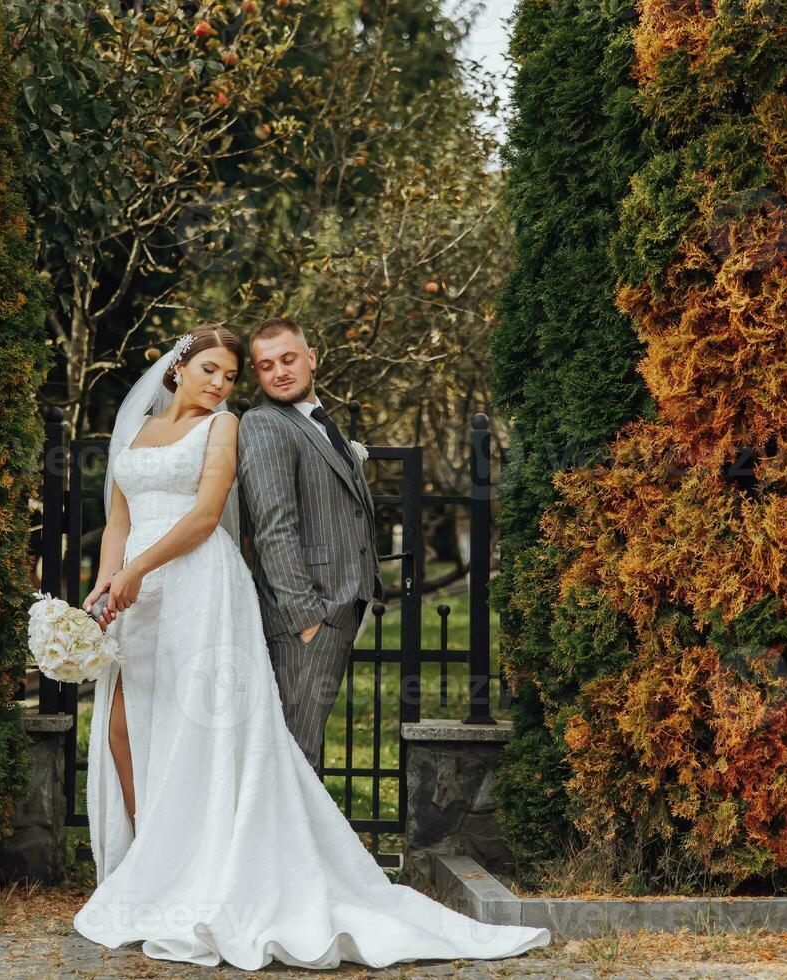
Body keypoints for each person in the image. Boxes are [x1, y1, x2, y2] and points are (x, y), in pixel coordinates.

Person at [73, 324, 550, 969]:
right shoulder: (133, 435)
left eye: (230, 376)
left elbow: (208, 516)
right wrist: (108, 579)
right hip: (136, 591)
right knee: (127, 727)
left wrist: (137, 570)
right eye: (211, 370)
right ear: (177, 368)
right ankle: (151, 864)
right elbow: (119, 522)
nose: (221, 384)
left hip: (194, 584)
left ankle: (208, 871)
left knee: (202, 729)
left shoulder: (227, 428)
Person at [236, 316, 379, 774]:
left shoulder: (320, 423)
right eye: (265, 365)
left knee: (301, 747)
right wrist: (305, 618)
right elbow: (273, 526)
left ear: (312, 358)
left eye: (288, 359)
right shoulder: (263, 424)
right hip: (307, 616)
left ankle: (300, 845)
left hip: (339, 605)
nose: (279, 371)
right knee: (294, 756)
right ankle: (283, 847)